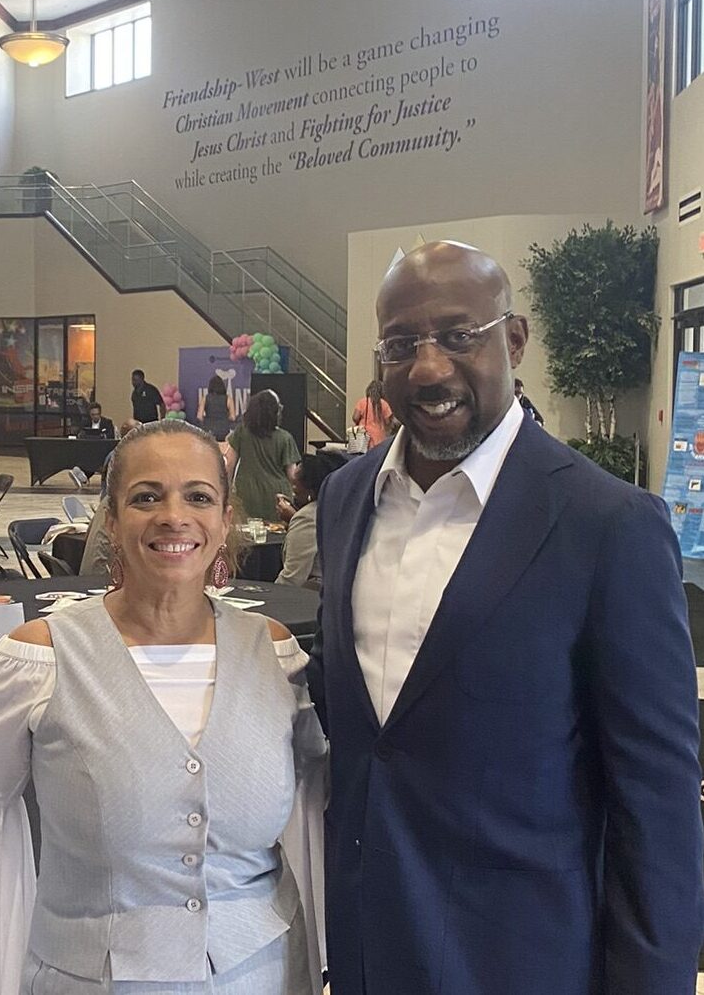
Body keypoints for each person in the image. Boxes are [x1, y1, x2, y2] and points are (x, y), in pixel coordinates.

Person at [307, 241, 704, 995]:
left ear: (513, 340)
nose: (428, 368)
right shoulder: (345, 499)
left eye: (458, 336)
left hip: (525, 962)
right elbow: (349, 708)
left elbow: (657, 806)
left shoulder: (607, 525)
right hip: (366, 953)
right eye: (401, 345)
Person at [0, 420, 327, 994]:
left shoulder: (275, 654)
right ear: (114, 520)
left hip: (266, 975)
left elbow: (311, 814)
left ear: (226, 521)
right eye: (146, 497)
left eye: (198, 496)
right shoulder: (39, 660)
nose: (174, 516)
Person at [274, 451, 348, 589]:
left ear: (310, 491)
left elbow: (293, 577)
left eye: (295, 486)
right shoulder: (343, 510)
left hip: (310, 597)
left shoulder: (306, 518)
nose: (292, 490)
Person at [225, 390, 300, 522]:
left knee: (249, 533)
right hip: (277, 495)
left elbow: (229, 464)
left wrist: (227, 492)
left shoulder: (241, 432)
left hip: (247, 492)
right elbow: (292, 475)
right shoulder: (285, 438)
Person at [350, 379, 393, 449]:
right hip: (379, 436)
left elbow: (355, 417)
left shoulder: (363, 402)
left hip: (362, 435)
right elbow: (388, 422)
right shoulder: (384, 404)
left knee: (361, 457)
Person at [197, 373, 236, 440]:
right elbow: (233, 417)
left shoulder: (205, 398)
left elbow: (199, 416)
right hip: (224, 430)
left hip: (209, 430)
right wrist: (225, 418)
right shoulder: (228, 399)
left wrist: (207, 420)